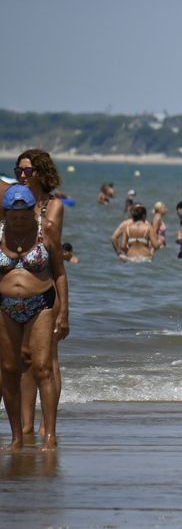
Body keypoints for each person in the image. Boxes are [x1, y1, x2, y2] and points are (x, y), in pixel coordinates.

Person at [1, 184, 68, 450]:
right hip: (5, 306)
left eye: (23, 216)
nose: (18, 221)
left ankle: (49, 435)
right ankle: (17, 437)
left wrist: (64, 311)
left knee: (42, 368)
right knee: (7, 370)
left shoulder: (46, 230)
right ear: (6, 214)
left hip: (41, 304)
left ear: (33, 212)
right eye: (13, 216)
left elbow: (60, 272)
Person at [13, 151, 67, 438]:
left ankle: (48, 426)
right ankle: (25, 424)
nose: (23, 176)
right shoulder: (13, 203)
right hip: (16, 291)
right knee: (24, 359)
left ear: (42, 173)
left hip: (47, 290)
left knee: (48, 360)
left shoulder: (52, 207)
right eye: (19, 171)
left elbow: (49, 242)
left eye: (28, 171)